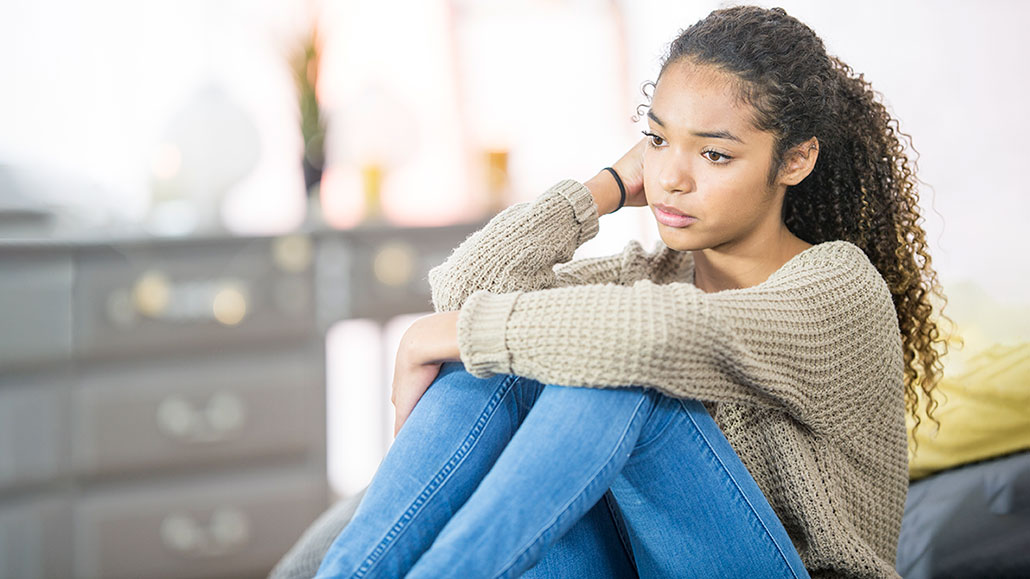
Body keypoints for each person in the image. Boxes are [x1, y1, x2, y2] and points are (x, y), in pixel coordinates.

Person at [315, 5, 947, 578]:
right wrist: (607, 185)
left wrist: (442, 334)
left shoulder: (838, 287)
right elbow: (465, 289)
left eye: (716, 156)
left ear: (795, 161)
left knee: (613, 367)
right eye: (658, 139)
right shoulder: (649, 273)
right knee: (489, 369)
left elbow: (656, 334)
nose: (670, 178)